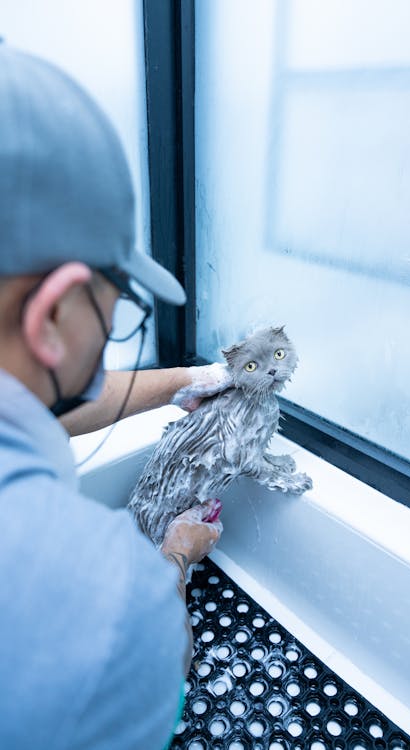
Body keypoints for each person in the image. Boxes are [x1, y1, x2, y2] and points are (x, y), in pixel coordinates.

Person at [0, 43, 228, 749]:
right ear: (55, 313)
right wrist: (172, 563)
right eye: (115, 304)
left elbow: (40, 401)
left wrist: (190, 381)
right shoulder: (107, 605)